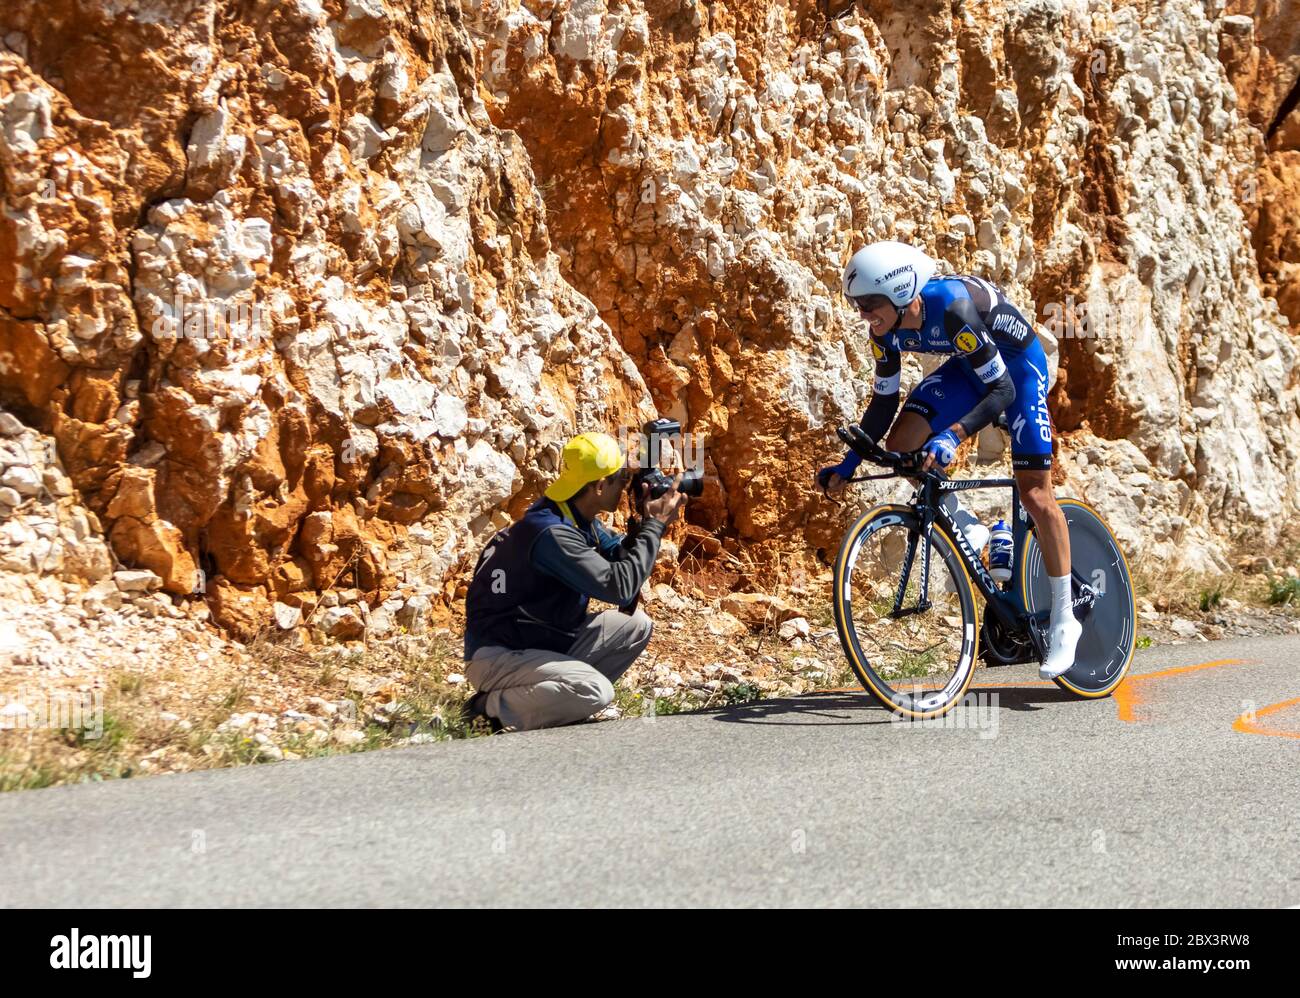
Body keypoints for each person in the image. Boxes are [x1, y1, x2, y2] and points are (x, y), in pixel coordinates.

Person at [817, 240, 1081, 677]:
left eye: (869, 304)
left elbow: (1003, 391)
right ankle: (979, 532)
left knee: (1034, 493)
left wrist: (953, 436)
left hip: (1016, 369)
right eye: (857, 305)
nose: (863, 315)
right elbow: (883, 406)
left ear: (902, 293)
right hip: (969, 366)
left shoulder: (954, 310)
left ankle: (1064, 619)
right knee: (903, 446)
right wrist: (847, 465)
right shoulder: (885, 331)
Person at [462, 431, 686, 731]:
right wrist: (655, 526)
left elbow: (620, 557)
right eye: (620, 477)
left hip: (541, 642)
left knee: (635, 626)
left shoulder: (574, 518)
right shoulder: (551, 533)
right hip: (499, 655)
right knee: (596, 690)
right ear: (598, 485)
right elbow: (619, 588)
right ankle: (484, 712)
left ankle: (556, 703)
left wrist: (644, 524)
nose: (625, 484)